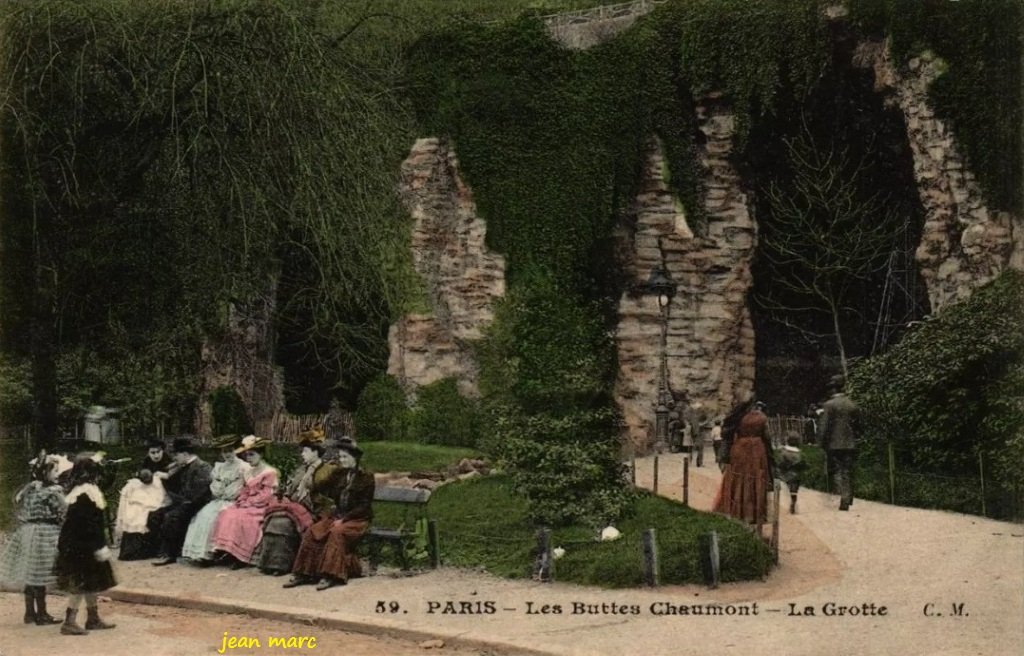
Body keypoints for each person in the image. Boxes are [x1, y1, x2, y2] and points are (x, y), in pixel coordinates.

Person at [283, 437, 374, 591]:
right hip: (338, 516)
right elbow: (320, 486)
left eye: (345, 457)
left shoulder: (365, 478)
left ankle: (330, 575)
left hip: (357, 519)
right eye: (340, 457)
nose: (342, 460)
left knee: (335, 532)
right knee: (314, 530)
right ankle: (303, 573)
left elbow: (364, 506)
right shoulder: (338, 474)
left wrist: (344, 519)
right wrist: (314, 473)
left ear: (355, 458)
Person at [257, 429, 341, 576]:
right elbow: (291, 489)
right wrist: (285, 494)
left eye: (305, 451)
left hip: (316, 511)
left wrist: (314, 494)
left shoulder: (329, 470)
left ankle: (281, 565)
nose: (302, 454)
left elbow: (333, 497)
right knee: (274, 519)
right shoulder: (301, 470)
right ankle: (268, 563)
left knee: (283, 524)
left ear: (316, 452)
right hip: (296, 507)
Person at [54, 454, 117, 635]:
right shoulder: (85, 494)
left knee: (92, 581)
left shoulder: (84, 490)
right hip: (80, 545)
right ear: (91, 473)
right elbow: (88, 525)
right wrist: (98, 545)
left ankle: (93, 618)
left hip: (80, 543)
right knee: (81, 582)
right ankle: (69, 621)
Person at [0, 452, 66, 625]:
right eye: (55, 471)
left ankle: (29, 613)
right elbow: (63, 511)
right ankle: (42, 614)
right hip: (45, 533)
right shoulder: (53, 492)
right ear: (45, 473)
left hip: (27, 532)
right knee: (40, 574)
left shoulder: (29, 490)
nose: (57, 474)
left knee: (31, 574)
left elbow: (17, 503)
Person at [209, 436, 279, 568]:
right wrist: (242, 500)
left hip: (263, 505)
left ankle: (241, 556)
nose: (249, 458)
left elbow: (266, 495)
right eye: (247, 455)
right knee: (227, 513)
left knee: (244, 519)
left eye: (252, 455)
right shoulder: (249, 471)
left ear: (261, 455)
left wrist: (250, 502)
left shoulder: (269, 472)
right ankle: (227, 551)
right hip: (248, 503)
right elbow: (245, 490)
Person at [180, 435, 250, 564]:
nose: (227, 454)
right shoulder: (219, 467)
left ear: (235, 450)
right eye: (224, 451)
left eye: (229, 450)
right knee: (203, 515)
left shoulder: (243, 467)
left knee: (218, 517)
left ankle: (218, 552)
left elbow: (246, 487)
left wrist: (232, 490)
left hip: (235, 501)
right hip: (219, 500)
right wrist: (220, 487)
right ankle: (203, 554)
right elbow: (215, 488)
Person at [151, 437, 213, 566]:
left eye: (176, 454)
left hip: (197, 503)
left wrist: (182, 501)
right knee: (156, 514)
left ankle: (170, 554)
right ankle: (159, 550)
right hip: (184, 501)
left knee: (171, 516)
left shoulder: (202, 466)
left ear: (185, 454)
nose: (174, 458)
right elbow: (172, 483)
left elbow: (200, 492)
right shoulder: (182, 466)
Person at [714, 400, 773, 524]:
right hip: (757, 449)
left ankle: (737, 511)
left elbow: (727, 437)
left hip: (740, 448)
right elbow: (767, 436)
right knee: (756, 478)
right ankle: (754, 514)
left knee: (738, 478)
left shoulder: (737, 417)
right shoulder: (761, 417)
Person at [818, 374, 860, 511]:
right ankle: (847, 497)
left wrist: (821, 442)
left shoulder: (829, 405)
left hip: (833, 444)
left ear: (833, 389)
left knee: (835, 471)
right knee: (847, 470)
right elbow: (858, 425)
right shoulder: (852, 404)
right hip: (850, 444)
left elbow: (824, 426)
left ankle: (843, 497)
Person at [113, 467, 169, 560]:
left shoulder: (157, 482)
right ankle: (134, 551)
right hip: (138, 506)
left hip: (154, 506)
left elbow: (161, 497)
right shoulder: (133, 485)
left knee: (150, 516)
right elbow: (127, 499)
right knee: (134, 516)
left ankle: (152, 550)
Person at [775, 433, 807, 514]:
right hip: (797, 474)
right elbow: (804, 463)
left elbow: (781, 462)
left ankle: (790, 500)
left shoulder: (784, 452)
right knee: (794, 489)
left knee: (787, 487)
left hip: (786, 473)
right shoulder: (800, 453)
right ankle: (793, 500)